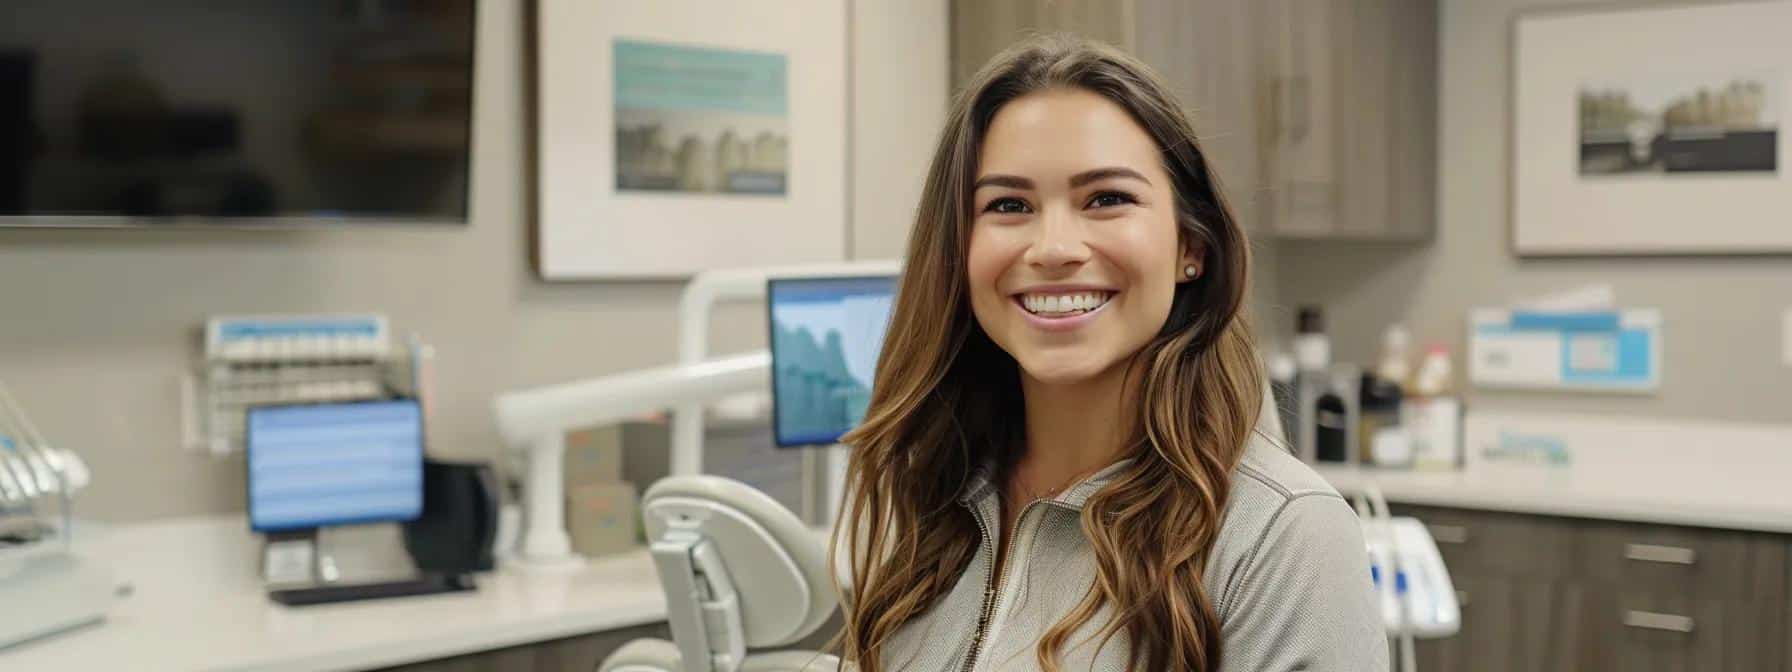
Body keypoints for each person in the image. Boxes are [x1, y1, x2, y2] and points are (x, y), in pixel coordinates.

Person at [831, 35, 1387, 671]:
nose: (1054, 248)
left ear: (1191, 246)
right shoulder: (938, 494)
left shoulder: (1283, 536)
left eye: (1106, 199)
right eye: (1009, 205)